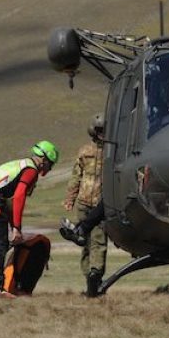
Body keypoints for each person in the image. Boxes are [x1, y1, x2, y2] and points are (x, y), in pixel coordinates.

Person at [0, 140, 58, 298]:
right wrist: (16, 227)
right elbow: (19, 196)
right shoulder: (31, 170)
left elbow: (7, 203)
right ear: (44, 159)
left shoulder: (19, 164)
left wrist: (14, 226)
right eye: (51, 164)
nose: (50, 168)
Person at [63, 114, 109, 297]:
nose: (102, 133)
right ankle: (91, 278)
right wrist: (70, 199)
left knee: (96, 241)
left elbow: (76, 178)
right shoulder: (88, 152)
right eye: (100, 130)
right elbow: (76, 177)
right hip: (87, 203)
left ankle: (94, 276)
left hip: (98, 205)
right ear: (95, 132)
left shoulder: (108, 152)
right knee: (89, 242)